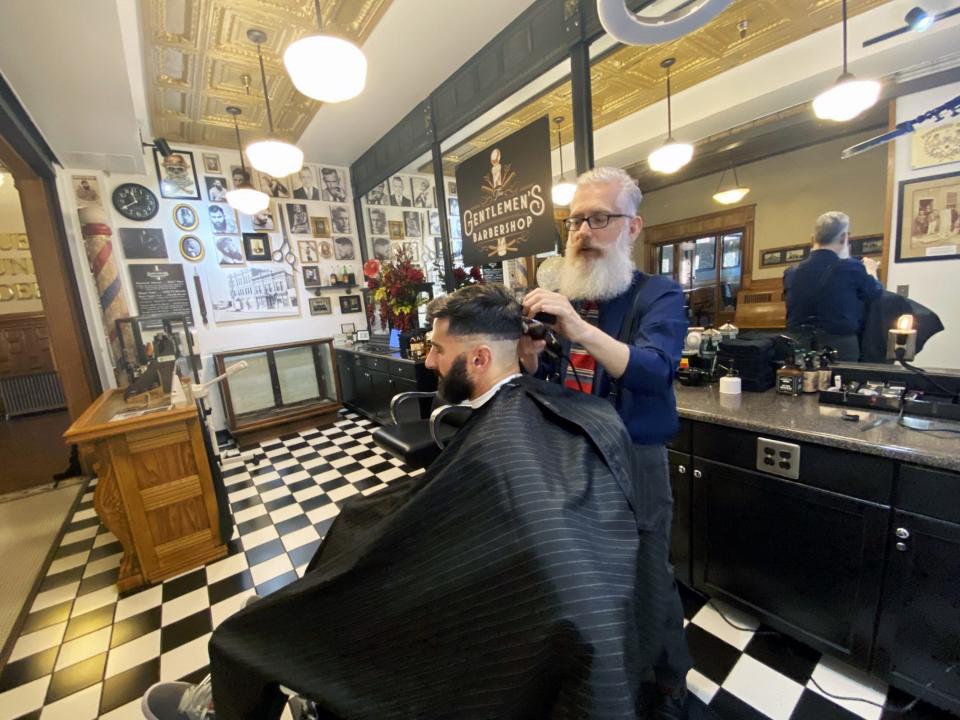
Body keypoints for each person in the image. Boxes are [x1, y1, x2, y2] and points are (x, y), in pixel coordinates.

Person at [195, 283, 677, 718]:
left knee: (255, 628)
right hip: (556, 606)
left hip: (506, 621)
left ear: (481, 359)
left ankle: (281, 680)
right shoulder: (566, 414)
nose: (428, 362)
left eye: (438, 349)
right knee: (364, 517)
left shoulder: (511, 446)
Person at [521, 166, 692, 718]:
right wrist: (531, 357)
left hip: (634, 457)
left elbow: (653, 371)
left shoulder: (657, 295)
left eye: (599, 219)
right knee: (587, 569)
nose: (583, 232)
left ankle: (668, 680)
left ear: (633, 227)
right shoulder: (573, 300)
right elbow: (554, 378)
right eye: (574, 221)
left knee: (647, 572)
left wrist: (577, 326)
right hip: (574, 451)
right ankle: (608, 668)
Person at [783, 211, 883, 361]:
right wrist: (871, 271)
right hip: (840, 346)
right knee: (843, 383)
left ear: (813, 239)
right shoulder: (851, 267)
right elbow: (875, 293)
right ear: (844, 237)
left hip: (798, 344)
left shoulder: (791, 272)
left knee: (801, 383)